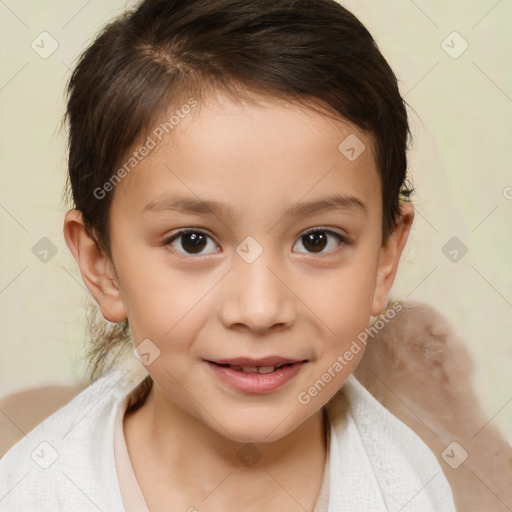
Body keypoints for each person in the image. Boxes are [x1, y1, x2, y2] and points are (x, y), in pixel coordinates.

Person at [0, 0, 457, 510]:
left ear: (384, 257)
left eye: (317, 240)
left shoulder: (408, 486)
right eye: (193, 241)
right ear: (102, 265)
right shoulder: (34, 492)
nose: (260, 310)